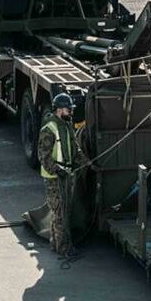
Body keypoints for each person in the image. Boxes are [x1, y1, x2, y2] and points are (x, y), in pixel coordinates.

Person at [38, 93, 84, 261]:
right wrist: (57, 170)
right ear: (59, 110)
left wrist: (87, 163)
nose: (70, 112)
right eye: (68, 109)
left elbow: (75, 149)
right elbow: (43, 156)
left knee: (64, 210)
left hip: (66, 176)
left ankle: (56, 243)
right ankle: (63, 248)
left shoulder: (66, 126)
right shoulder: (49, 129)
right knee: (59, 212)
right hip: (54, 178)